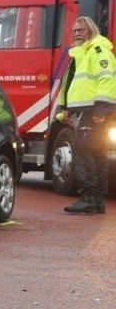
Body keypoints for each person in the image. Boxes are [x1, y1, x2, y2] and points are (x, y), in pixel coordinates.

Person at [57, 16, 115, 214]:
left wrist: (101, 108)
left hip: (95, 110)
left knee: (85, 151)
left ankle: (89, 198)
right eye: (74, 31)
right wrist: (66, 106)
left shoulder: (98, 51)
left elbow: (107, 80)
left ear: (90, 30)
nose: (76, 34)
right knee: (97, 153)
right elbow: (76, 83)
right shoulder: (83, 54)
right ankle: (97, 200)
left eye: (80, 30)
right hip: (90, 109)